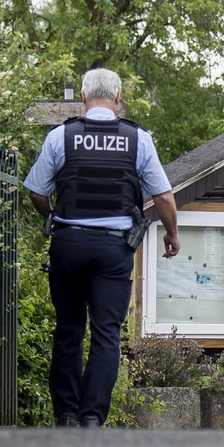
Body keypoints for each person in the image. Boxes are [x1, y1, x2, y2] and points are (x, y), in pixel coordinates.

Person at [24, 68, 180, 428]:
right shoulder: (137, 139)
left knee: (68, 329)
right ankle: (92, 417)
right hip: (114, 250)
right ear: (119, 97)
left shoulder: (60, 137)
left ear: (82, 97)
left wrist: (52, 218)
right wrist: (172, 233)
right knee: (106, 332)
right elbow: (164, 196)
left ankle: (65, 414)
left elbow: (36, 190)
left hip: (69, 244)